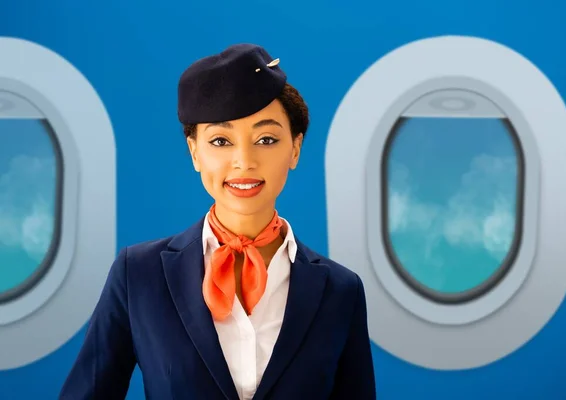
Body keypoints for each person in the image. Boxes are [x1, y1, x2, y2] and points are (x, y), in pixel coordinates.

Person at [59, 43, 376, 400]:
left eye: (266, 139)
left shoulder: (341, 291)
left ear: (295, 149)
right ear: (195, 152)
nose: (244, 161)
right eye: (221, 141)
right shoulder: (138, 275)